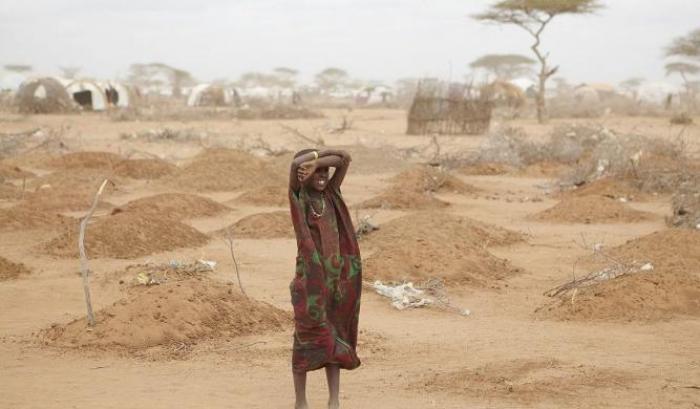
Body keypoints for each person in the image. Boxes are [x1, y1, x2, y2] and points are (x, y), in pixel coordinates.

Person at [288, 148, 362, 409]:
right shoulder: (300, 197)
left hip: (336, 284)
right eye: (314, 172)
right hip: (310, 284)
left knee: (335, 338)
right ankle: (301, 402)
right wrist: (308, 164)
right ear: (302, 175)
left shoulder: (331, 194)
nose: (321, 176)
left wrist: (319, 160)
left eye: (324, 172)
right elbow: (295, 163)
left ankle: (334, 401)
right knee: (306, 338)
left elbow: (345, 158)